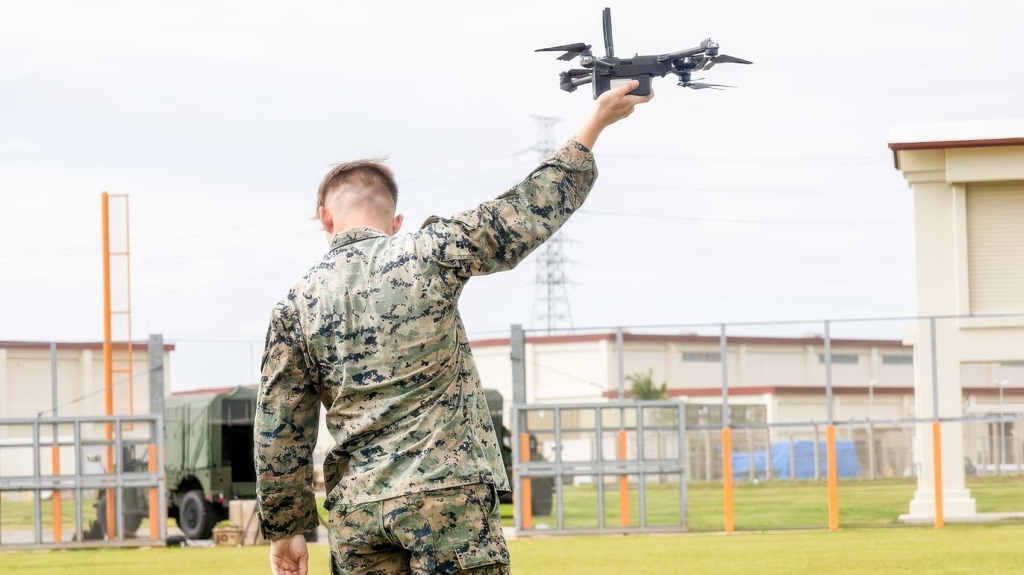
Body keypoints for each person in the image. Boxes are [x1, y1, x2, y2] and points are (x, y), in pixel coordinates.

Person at [253, 79, 653, 575]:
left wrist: (286, 528)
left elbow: (279, 428)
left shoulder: (293, 306)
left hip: (358, 512)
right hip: (449, 497)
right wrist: (595, 122)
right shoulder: (426, 251)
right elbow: (523, 212)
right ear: (395, 221)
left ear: (325, 219)